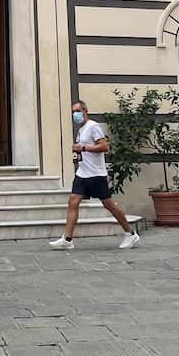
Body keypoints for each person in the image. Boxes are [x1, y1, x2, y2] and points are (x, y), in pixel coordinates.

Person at [49, 99, 139, 251]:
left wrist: (83, 148)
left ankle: (130, 233)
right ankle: (67, 239)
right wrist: (78, 152)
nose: (75, 115)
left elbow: (104, 146)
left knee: (108, 204)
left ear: (85, 111)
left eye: (77, 111)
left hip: (96, 174)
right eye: (73, 112)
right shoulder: (81, 130)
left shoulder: (93, 126)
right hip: (82, 174)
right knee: (73, 201)